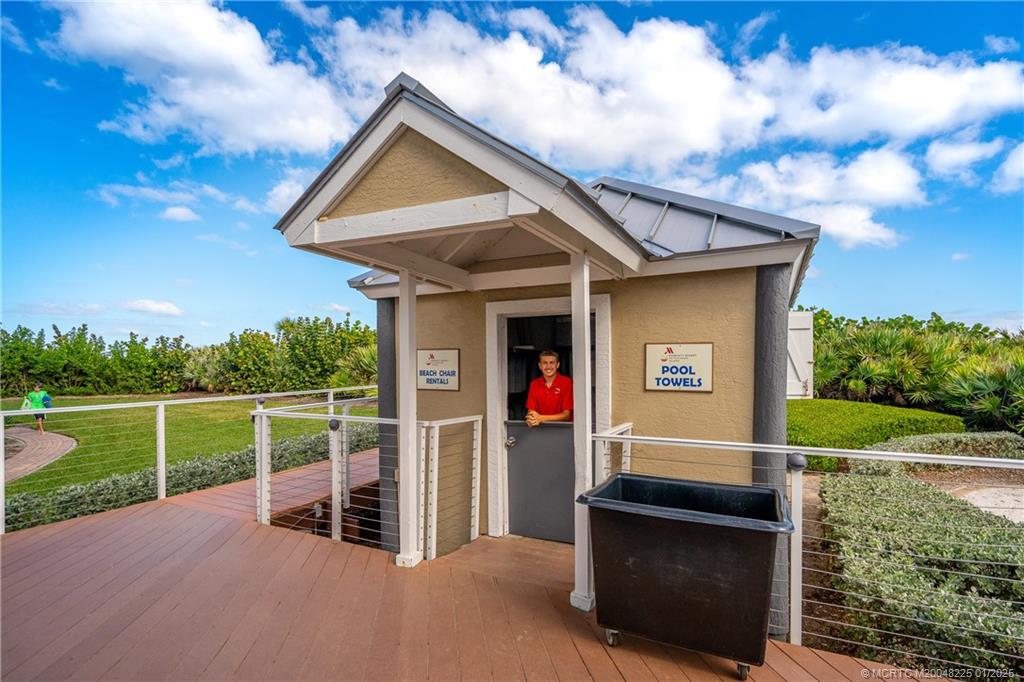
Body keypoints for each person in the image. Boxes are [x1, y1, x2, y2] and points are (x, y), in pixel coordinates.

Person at [525, 349, 573, 427]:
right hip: (540, 429)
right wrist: (531, 418)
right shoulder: (534, 384)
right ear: (540, 366)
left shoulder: (566, 382)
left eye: (551, 363)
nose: (548, 366)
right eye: (545, 363)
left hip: (563, 430)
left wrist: (541, 418)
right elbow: (531, 411)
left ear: (557, 365)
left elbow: (566, 415)